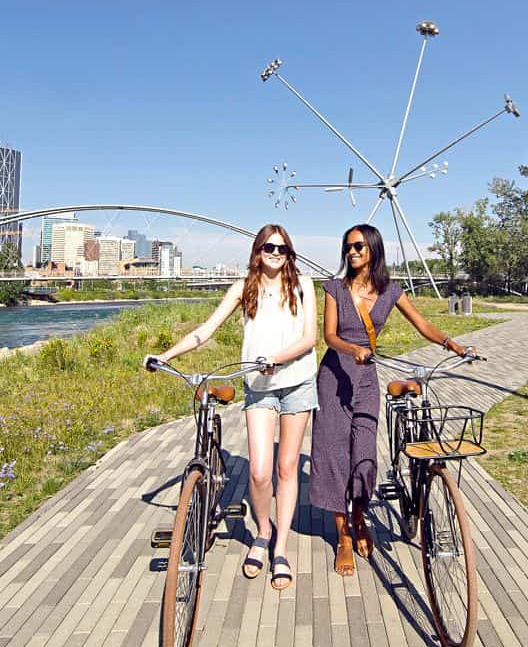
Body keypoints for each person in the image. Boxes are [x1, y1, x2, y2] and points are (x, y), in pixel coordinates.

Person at [150, 224, 316, 591]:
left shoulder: (303, 285)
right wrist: (165, 355)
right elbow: (205, 331)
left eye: (282, 248)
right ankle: (262, 531)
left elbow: (310, 338)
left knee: (287, 467)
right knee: (259, 471)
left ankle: (281, 548)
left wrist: (276, 357)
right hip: (259, 387)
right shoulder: (244, 289)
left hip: (298, 383)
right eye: (268, 248)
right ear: (257, 251)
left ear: (290, 254)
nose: (275, 253)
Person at [312, 224, 469, 575]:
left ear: (373, 251)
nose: (351, 252)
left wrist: (451, 344)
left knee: (364, 455)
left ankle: (358, 515)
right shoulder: (335, 289)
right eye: (348, 246)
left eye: (358, 247)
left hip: (366, 379)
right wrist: (352, 348)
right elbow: (329, 335)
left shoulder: (391, 291)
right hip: (334, 377)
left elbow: (422, 324)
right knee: (335, 453)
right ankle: (343, 536)